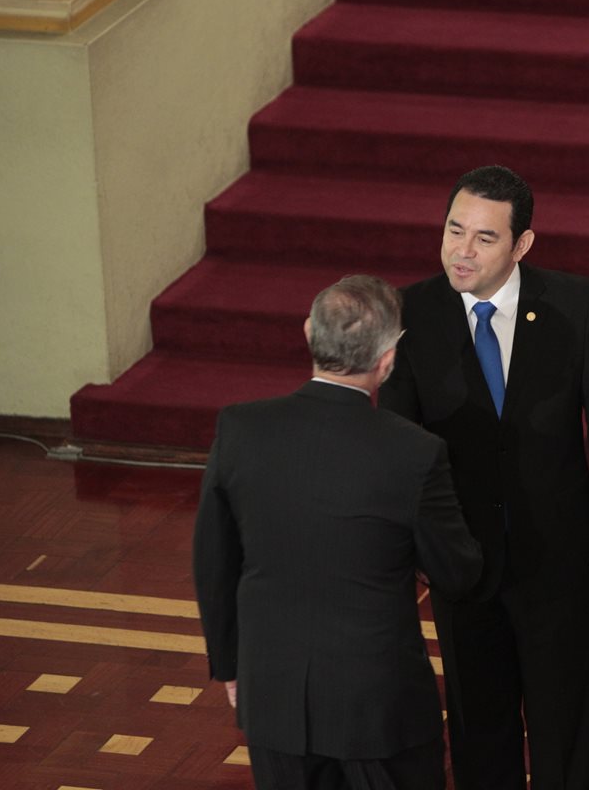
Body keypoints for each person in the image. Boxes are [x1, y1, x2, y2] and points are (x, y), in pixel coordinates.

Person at [378, 165, 589, 790]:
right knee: (477, 725)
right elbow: (395, 441)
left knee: (563, 722)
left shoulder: (572, 303)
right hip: (461, 561)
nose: (461, 251)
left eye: (484, 238)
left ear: (522, 244)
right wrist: (414, 540)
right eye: (453, 230)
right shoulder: (410, 311)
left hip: (556, 557)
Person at [192, 275, 483, 790]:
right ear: (387, 359)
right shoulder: (414, 452)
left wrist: (232, 667)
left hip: (273, 697)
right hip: (379, 709)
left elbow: (213, 562)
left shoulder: (240, 429)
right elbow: (456, 572)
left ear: (309, 333)